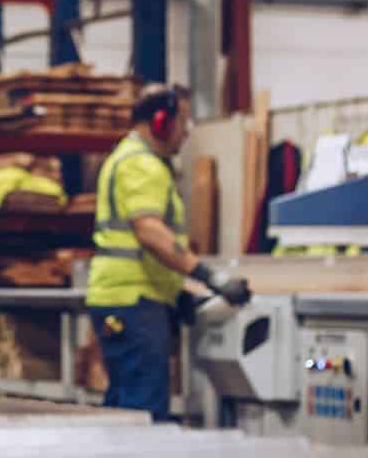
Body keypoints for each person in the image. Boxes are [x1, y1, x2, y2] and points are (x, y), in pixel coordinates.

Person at [87, 84, 251, 420]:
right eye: (184, 121)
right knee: (144, 411)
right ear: (161, 122)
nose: (187, 132)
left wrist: (179, 294)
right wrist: (209, 276)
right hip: (134, 302)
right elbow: (149, 232)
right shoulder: (141, 165)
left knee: (124, 408)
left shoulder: (131, 159)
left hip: (130, 299)